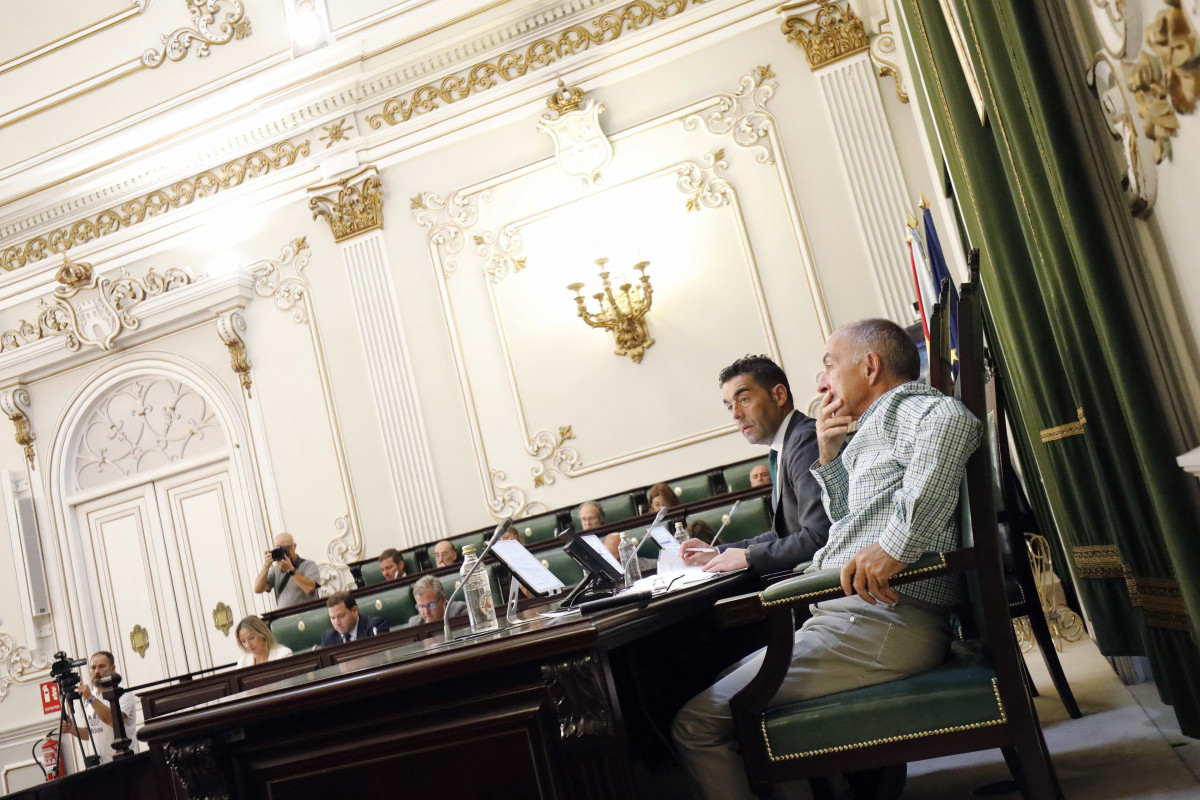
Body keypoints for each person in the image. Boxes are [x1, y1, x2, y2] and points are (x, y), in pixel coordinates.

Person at [672, 319, 982, 800]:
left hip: (884, 621)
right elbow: (847, 525)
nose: (820, 383)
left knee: (694, 726)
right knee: (724, 687)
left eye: (829, 365)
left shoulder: (910, 408)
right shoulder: (872, 428)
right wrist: (832, 458)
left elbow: (955, 422)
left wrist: (896, 546)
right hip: (860, 618)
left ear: (871, 366)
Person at [680, 355, 831, 575]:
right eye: (729, 406)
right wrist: (718, 552)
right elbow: (783, 535)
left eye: (744, 400)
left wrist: (748, 557)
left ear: (779, 395)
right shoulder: (784, 446)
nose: (736, 414)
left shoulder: (804, 441)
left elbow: (818, 537)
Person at [60, 651, 138, 764]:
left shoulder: (123, 692)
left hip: (124, 761)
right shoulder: (90, 696)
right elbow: (89, 733)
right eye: (93, 668)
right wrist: (72, 729)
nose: (96, 672)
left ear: (113, 668)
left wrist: (91, 698)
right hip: (101, 764)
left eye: (101, 666)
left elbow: (113, 721)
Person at [253, 532, 320, 608]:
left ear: (294, 547)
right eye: (279, 549)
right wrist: (266, 565)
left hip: (306, 615)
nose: (284, 552)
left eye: (286, 548)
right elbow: (257, 589)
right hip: (283, 617)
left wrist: (291, 570)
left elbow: (309, 588)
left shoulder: (308, 565)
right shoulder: (275, 570)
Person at [320, 591, 391, 646]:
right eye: (333, 618)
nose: (337, 623)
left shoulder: (375, 627)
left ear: (354, 611)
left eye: (341, 616)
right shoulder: (329, 638)